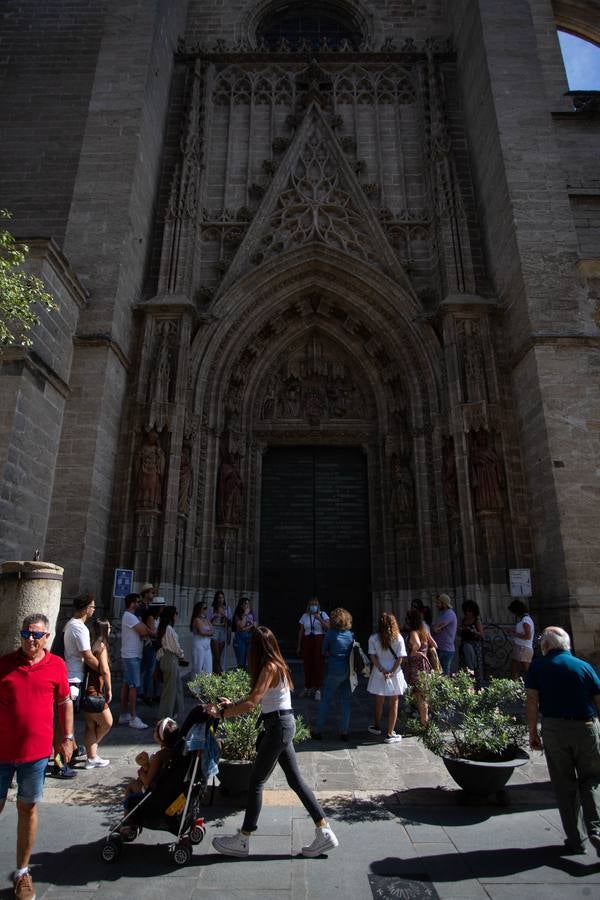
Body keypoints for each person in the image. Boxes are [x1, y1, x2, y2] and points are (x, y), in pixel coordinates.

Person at [210, 625, 339, 858]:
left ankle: (244, 838)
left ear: (258, 647)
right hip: (281, 724)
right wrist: (232, 704)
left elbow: (253, 702)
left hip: (278, 727)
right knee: (296, 781)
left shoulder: (269, 666)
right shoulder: (277, 664)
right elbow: (257, 699)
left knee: (256, 782)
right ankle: (324, 831)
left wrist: (222, 713)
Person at [0, 614, 75, 900]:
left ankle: (22, 872)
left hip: (36, 754)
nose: (31, 639)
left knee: (27, 808)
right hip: (1, 751)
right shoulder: (4, 664)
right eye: (26, 634)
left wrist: (67, 738)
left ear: (47, 637)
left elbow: (65, 702)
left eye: (37, 635)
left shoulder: (56, 665)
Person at [525, 626, 600, 856]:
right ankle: (596, 830)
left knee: (563, 783)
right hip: (587, 726)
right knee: (592, 780)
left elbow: (531, 702)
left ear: (546, 646)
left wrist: (532, 733)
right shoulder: (584, 666)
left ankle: (576, 839)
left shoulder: (538, 666)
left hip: (555, 729)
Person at [311, 607, 354, 741]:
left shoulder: (330, 634)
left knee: (326, 700)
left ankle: (318, 730)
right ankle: (344, 731)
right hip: (347, 670)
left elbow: (323, 651)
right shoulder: (350, 635)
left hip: (334, 669)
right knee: (346, 701)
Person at [367, 612, 407, 743]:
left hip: (379, 672)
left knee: (379, 699)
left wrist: (381, 669)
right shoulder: (399, 638)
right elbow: (400, 658)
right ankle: (390, 733)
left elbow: (372, 656)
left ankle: (377, 726)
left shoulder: (373, 638)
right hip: (394, 673)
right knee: (394, 701)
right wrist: (391, 672)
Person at [82, 618, 113, 769]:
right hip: (95, 691)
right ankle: (91, 750)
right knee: (107, 722)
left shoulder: (92, 643)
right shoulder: (101, 646)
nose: (111, 629)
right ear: (104, 629)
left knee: (90, 725)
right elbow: (105, 670)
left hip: (87, 690)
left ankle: (91, 756)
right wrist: (110, 689)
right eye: (109, 627)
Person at [119, 593, 150, 729]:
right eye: (137, 602)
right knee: (133, 686)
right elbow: (144, 631)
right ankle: (133, 717)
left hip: (130, 654)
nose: (139, 604)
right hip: (131, 656)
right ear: (132, 603)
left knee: (127, 684)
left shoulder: (131, 617)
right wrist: (147, 628)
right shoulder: (130, 616)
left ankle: (124, 713)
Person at [405, 609, 438, 727]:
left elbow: (417, 645)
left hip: (417, 667)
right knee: (424, 694)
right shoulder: (424, 631)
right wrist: (424, 651)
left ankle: (424, 723)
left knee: (420, 695)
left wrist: (414, 652)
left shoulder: (413, 632)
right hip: (426, 665)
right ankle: (425, 721)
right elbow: (434, 645)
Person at [297, 597, 330, 700]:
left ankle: (318, 689)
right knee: (307, 664)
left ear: (318, 605)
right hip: (308, 641)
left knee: (318, 664)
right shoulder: (304, 616)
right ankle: (308, 687)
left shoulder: (323, 614)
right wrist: (299, 645)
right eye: (311, 604)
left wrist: (319, 618)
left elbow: (328, 627)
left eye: (315, 604)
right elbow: (301, 631)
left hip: (319, 640)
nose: (313, 606)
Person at [157, 606, 186, 720]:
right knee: (170, 690)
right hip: (170, 659)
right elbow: (175, 647)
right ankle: (165, 716)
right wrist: (182, 655)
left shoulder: (164, 628)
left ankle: (172, 712)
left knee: (174, 687)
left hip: (168, 658)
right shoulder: (168, 629)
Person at [459, 600, 485, 688]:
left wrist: (473, 631)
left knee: (476, 665)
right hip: (465, 644)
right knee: (465, 665)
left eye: (469, 611)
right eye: (466, 611)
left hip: (475, 645)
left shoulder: (476, 620)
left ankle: (478, 686)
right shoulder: (464, 619)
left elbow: (481, 634)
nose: (467, 612)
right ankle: (467, 685)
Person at [507, 599, 534, 678]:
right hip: (524, 647)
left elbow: (527, 636)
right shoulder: (526, 620)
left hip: (522, 647)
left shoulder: (525, 620)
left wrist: (514, 634)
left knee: (515, 670)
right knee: (524, 670)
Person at [431, 593, 457, 675]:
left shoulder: (449, 614)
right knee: (439, 675)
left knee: (444, 676)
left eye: (438, 603)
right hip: (441, 648)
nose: (436, 605)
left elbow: (435, 629)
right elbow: (433, 628)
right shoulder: (442, 614)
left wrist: (434, 628)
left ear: (444, 604)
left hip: (446, 649)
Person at [190, 601, 213, 675]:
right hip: (199, 644)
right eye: (205, 608)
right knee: (198, 667)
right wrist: (208, 632)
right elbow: (201, 632)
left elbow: (213, 630)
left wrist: (207, 633)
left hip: (207, 644)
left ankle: (206, 685)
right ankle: (195, 686)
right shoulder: (197, 619)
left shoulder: (206, 620)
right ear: (200, 609)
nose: (206, 610)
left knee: (208, 666)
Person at [232, 597, 256, 669]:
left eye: (248, 604)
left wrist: (246, 628)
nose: (247, 605)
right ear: (241, 605)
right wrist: (245, 614)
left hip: (250, 637)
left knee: (250, 660)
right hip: (240, 638)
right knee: (241, 662)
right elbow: (241, 626)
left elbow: (255, 626)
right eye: (245, 603)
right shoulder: (238, 615)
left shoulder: (252, 614)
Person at [210, 591, 229, 675]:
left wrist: (224, 615)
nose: (221, 599)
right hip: (214, 630)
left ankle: (215, 674)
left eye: (222, 597)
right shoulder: (212, 608)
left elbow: (230, 622)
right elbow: (207, 621)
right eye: (219, 597)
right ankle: (220, 672)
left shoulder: (227, 608)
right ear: (216, 599)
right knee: (216, 655)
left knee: (219, 656)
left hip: (222, 630)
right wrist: (215, 616)